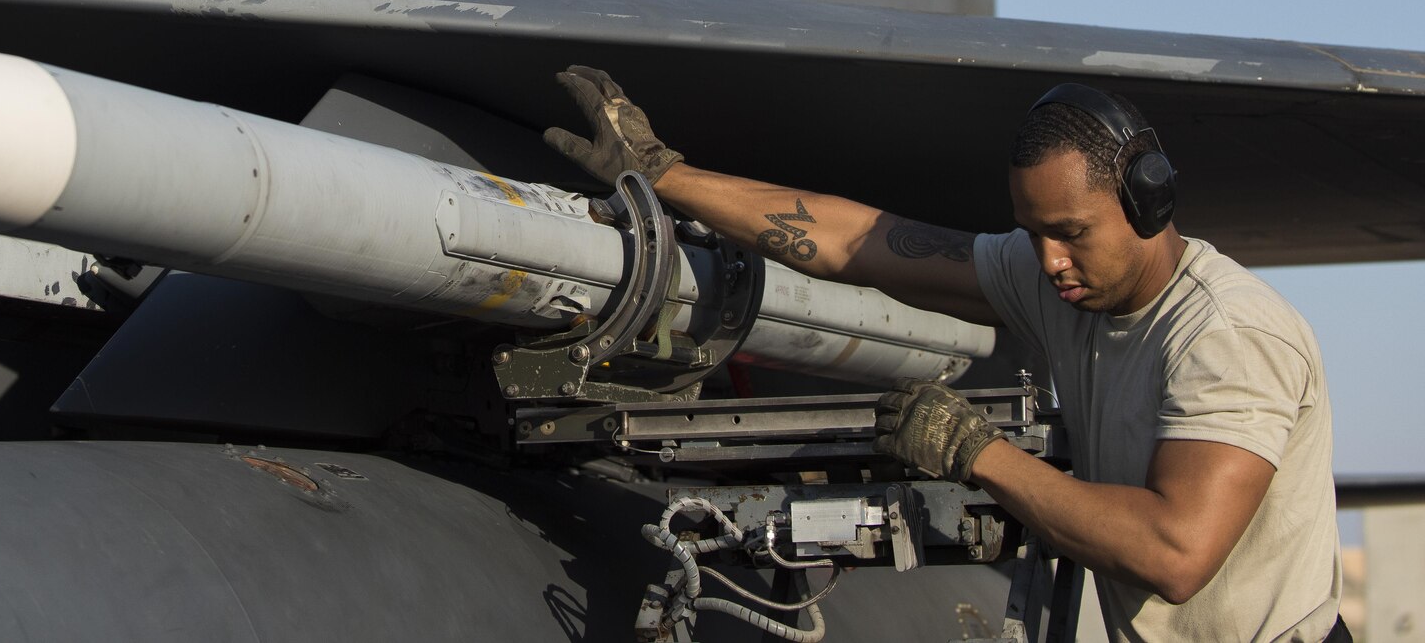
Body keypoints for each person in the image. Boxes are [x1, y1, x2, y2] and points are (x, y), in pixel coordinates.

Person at [544, 65, 1345, 643]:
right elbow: (859, 238)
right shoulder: (1060, 282)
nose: (1051, 259)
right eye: (1034, 234)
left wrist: (980, 452)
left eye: (1072, 231)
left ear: (1149, 199)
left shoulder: (1226, 334)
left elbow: (1176, 551)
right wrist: (664, 173)